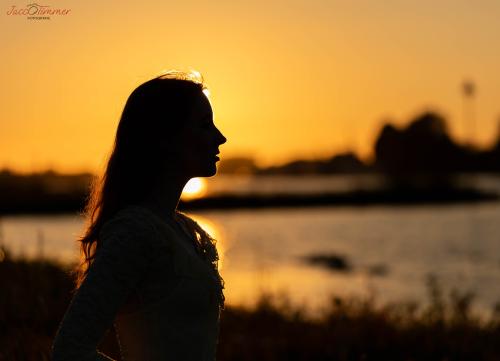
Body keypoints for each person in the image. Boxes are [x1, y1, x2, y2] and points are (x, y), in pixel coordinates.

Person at [52, 70, 227, 361]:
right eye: (204, 125)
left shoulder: (184, 230)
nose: (220, 137)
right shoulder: (136, 232)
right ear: (166, 138)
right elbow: (70, 349)